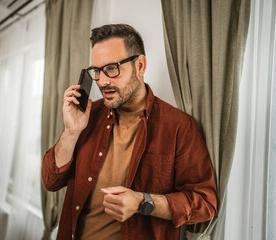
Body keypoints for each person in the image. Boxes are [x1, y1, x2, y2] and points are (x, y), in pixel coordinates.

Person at [42, 24, 217, 240]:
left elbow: (205, 203)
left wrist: (144, 203)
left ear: (140, 65)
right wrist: (71, 131)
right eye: (96, 71)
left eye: (112, 68)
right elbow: (50, 181)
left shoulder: (179, 126)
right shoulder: (86, 116)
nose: (102, 81)